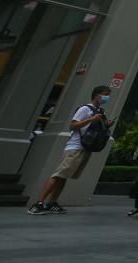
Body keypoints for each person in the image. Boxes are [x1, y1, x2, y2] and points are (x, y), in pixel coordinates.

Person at [28, 85, 114, 215]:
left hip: (85, 148)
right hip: (75, 147)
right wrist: (91, 118)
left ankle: (52, 203)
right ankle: (38, 204)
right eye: (105, 94)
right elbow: (73, 125)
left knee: (63, 177)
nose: (107, 97)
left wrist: (107, 124)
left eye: (109, 94)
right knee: (58, 175)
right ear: (97, 94)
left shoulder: (100, 111)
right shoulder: (85, 109)